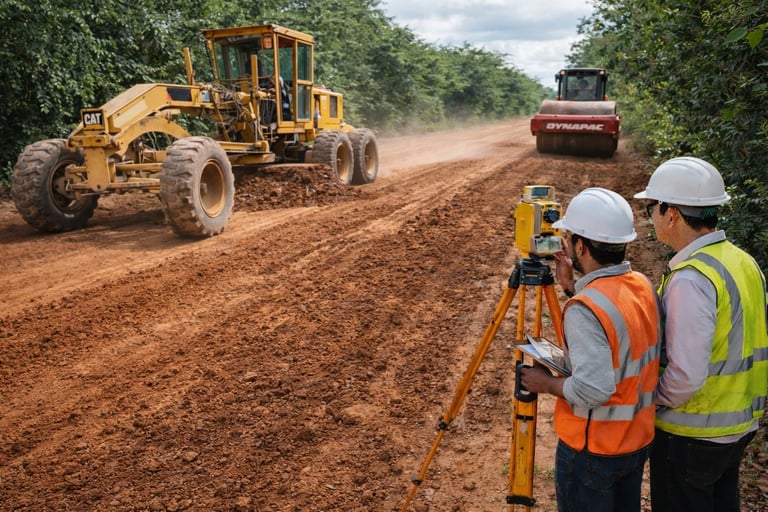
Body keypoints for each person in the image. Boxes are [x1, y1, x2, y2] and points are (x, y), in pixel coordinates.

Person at [634, 156, 768, 512]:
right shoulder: (742, 261)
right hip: (737, 427)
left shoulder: (692, 279)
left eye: (652, 208)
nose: (651, 217)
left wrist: (651, 401)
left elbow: (686, 376)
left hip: (692, 434)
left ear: (672, 213)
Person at [521, 187, 661, 512]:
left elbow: (592, 388)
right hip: (634, 441)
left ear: (580, 247)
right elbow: (616, 331)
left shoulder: (587, 309)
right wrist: (571, 287)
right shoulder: (641, 284)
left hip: (593, 451)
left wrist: (546, 384)